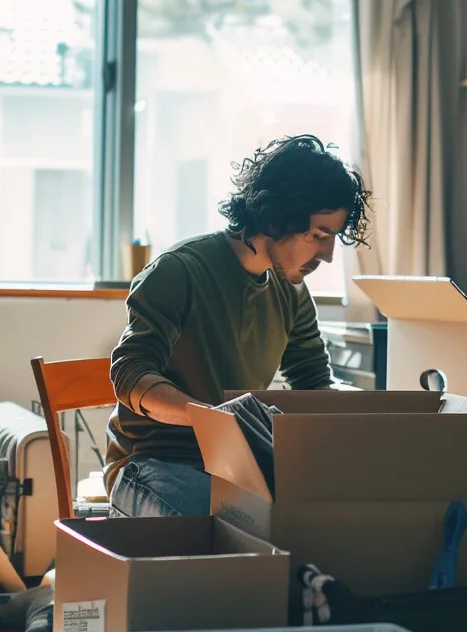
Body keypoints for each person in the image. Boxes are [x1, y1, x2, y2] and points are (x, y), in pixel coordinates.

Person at [105, 135, 371, 518]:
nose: (328, 256)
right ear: (277, 218)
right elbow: (130, 374)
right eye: (318, 235)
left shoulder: (290, 291)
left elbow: (313, 383)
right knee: (238, 525)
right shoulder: (179, 271)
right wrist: (215, 420)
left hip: (235, 463)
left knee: (332, 519)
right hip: (152, 463)